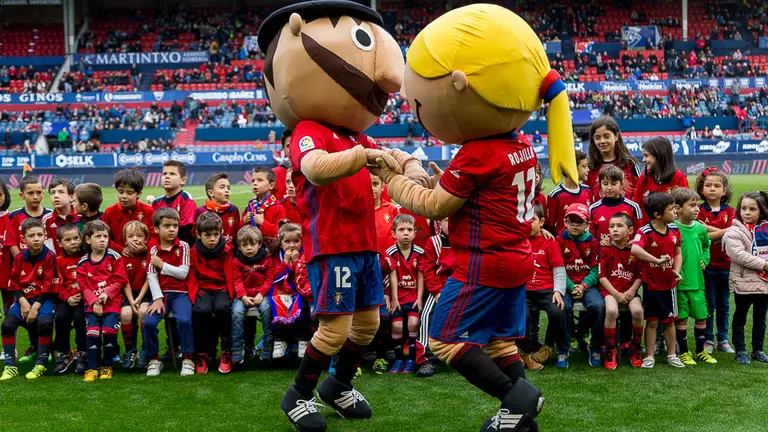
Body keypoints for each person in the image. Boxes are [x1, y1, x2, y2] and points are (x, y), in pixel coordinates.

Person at [377, 4, 580, 429]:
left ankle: (517, 397)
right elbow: (482, 194)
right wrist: (443, 180)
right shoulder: (519, 142)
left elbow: (435, 207)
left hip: (482, 263)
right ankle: (518, 420)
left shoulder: (476, 152)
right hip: (517, 259)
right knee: (501, 343)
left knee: (443, 340)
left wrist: (393, 182)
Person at [631, 192, 684, 369]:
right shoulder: (645, 231)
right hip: (651, 285)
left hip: (669, 285)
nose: (675, 211)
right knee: (652, 321)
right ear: (657, 215)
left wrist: (676, 271)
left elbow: (678, 253)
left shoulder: (675, 229)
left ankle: (672, 354)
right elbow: (635, 250)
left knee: (669, 321)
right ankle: (650, 355)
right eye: (671, 209)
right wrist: (656, 260)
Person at [0, 219, 56, 380]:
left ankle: (41, 363)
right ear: (23, 239)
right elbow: (14, 282)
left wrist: (35, 307)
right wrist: (23, 302)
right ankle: (10, 366)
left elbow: (48, 285)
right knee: (7, 324)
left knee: (45, 323)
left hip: (43, 300)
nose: (37, 238)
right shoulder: (19, 258)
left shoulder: (49, 257)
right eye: (31, 235)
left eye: (40, 234)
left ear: (45, 236)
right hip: (24, 300)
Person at [143, 207, 195, 377]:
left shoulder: (184, 246)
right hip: (162, 294)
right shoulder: (153, 250)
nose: (172, 229)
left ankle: (188, 358)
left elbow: (183, 273)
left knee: (185, 321)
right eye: (167, 226)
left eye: (175, 225)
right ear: (157, 229)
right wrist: (157, 298)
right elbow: (151, 276)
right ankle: (154, 359)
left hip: (181, 293)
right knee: (149, 323)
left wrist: (163, 266)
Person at [77, 220, 130, 382]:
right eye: (98, 236)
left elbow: (120, 280)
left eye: (105, 236)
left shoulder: (114, 257)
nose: (102, 240)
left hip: (112, 304)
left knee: (108, 332)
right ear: (87, 240)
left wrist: (107, 294)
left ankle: (107, 366)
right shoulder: (83, 263)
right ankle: (92, 368)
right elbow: (84, 286)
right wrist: (94, 302)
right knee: (92, 334)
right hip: (92, 306)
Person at [670, 187, 716, 366]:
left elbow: (707, 246)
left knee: (701, 317)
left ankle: (700, 351)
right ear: (678, 208)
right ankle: (683, 352)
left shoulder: (700, 228)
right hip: (680, 284)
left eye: (698, 205)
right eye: (692, 206)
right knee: (681, 318)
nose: (697, 209)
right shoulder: (673, 229)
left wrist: (705, 259)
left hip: (698, 282)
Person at [723, 191, 768, 365]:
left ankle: (758, 350)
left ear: (762, 211)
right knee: (740, 317)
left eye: (752, 209)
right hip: (744, 282)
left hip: (764, 282)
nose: (746, 213)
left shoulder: (765, 229)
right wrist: (763, 265)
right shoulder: (734, 231)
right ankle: (740, 350)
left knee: (760, 319)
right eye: (743, 208)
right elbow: (739, 255)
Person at [558, 203, 604, 367]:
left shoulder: (593, 242)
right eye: (571, 221)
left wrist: (583, 286)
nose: (575, 225)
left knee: (599, 306)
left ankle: (596, 346)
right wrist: (572, 287)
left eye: (579, 221)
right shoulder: (559, 240)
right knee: (561, 306)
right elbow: (559, 269)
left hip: (587, 284)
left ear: (588, 224)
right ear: (565, 222)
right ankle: (563, 349)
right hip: (566, 284)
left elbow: (595, 270)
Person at [188, 212, 234, 375]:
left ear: (221, 233)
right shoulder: (193, 252)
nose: (213, 239)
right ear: (199, 235)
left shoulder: (227, 250)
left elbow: (230, 274)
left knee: (223, 309)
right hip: (203, 289)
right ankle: (201, 354)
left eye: (216, 234)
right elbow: (192, 274)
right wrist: (193, 296)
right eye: (207, 235)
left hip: (222, 289)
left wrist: (231, 295)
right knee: (201, 311)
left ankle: (227, 352)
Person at [695, 168, 735, 354]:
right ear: (701, 189)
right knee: (709, 304)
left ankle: (723, 339)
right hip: (707, 266)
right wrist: (724, 232)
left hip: (727, 266)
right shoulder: (699, 210)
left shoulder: (731, 211)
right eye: (708, 185)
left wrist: (711, 231)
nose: (712, 189)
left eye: (717, 185)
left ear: (724, 190)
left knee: (724, 304)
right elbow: (702, 236)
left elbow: (734, 232)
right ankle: (709, 339)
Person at [522, 204, 567, 371]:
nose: (528, 223)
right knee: (523, 316)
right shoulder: (518, 239)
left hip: (546, 289)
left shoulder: (549, 242)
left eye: (532, 220)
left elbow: (558, 269)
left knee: (557, 312)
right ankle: (524, 352)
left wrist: (558, 291)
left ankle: (547, 348)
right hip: (524, 290)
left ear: (541, 221)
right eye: (525, 219)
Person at [598, 213, 644, 369]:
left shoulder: (635, 251)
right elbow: (602, 277)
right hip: (611, 291)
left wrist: (632, 291)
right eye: (611, 226)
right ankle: (610, 349)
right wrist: (616, 294)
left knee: (638, 311)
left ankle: (635, 347)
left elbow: (639, 275)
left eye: (619, 226)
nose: (614, 230)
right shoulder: (605, 249)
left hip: (629, 290)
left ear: (630, 230)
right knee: (611, 310)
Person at [384, 214, 425, 374]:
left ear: (415, 233)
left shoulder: (419, 252)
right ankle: (398, 359)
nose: (405, 233)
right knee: (397, 326)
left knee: (413, 324)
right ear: (394, 233)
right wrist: (394, 299)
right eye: (401, 229)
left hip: (414, 297)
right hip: (398, 298)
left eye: (409, 229)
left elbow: (421, 276)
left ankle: (410, 359)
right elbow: (392, 275)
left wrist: (420, 299)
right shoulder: (391, 252)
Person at [415, 217, 453, 378]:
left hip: (461, 288)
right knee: (426, 315)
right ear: (439, 223)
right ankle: (425, 359)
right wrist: (437, 292)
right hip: (438, 288)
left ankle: (473, 355)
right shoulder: (434, 242)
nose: (450, 224)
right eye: (446, 220)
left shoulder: (468, 242)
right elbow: (428, 270)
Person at [269, 223, 313, 359]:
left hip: (300, 290)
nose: (292, 245)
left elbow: (305, 276)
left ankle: (303, 340)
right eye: (287, 241)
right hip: (280, 290)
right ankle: (280, 340)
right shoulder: (276, 256)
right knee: (277, 304)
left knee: (302, 307)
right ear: (280, 243)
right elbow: (273, 276)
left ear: (302, 242)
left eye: (296, 241)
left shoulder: (305, 255)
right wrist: (285, 262)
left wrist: (297, 263)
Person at [231, 225, 273, 364]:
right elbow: (237, 281)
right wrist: (243, 296)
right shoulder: (236, 261)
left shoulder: (266, 258)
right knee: (236, 313)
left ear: (259, 244)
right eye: (244, 245)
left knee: (267, 310)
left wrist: (261, 294)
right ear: (239, 246)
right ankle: (237, 348)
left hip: (262, 294)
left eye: (252, 244)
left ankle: (268, 345)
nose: (249, 248)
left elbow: (269, 279)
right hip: (243, 296)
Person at [52, 224, 87, 375]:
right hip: (66, 299)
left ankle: (82, 352)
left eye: (75, 238)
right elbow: (57, 283)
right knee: (61, 318)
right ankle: (64, 352)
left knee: (80, 318)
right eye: (68, 240)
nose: (73, 242)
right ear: (59, 243)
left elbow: (93, 278)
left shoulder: (87, 257)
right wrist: (67, 297)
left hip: (85, 299)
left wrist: (83, 295)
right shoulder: (58, 261)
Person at [632, 137, 689, 225]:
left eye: (646, 155)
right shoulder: (643, 179)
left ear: (659, 156)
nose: (643, 160)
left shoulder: (678, 177)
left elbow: (685, 206)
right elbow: (636, 207)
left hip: (673, 233)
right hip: (648, 233)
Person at [119, 221, 150, 370]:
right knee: (125, 314)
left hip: (145, 293)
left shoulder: (149, 254)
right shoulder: (123, 257)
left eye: (139, 236)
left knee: (143, 311)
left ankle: (145, 350)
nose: (135, 239)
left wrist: (138, 299)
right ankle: (130, 350)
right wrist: (131, 300)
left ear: (146, 239)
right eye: (130, 236)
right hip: (128, 294)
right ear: (125, 240)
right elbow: (124, 282)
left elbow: (149, 279)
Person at [587, 116, 641, 201]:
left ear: (616, 136)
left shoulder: (629, 163)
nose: (602, 141)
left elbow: (640, 191)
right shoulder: (589, 167)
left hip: (626, 213)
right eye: (597, 138)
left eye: (606, 136)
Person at [102, 169, 154, 255]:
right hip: (120, 259)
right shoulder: (109, 212)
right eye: (120, 192)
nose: (124, 196)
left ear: (139, 194)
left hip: (145, 258)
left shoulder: (148, 211)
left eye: (129, 193)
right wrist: (120, 249)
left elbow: (155, 236)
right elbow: (105, 237)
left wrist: (146, 247)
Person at [589, 165, 643, 246]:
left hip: (627, 256)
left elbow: (640, 232)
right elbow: (590, 236)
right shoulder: (593, 209)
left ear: (621, 184)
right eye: (605, 184)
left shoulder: (633, 207)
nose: (609, 187)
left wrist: (635, 242)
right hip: (603, 256)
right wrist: (598, 242)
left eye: (614, 184)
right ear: (600, 185)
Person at [547, 150, 592, 235]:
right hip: (564, 244)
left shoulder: (587, 190)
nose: (588, 169)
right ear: (572, 168)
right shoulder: (556, 195)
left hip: (585, 244)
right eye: (584, 166)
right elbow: (550, 225)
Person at [152, 161, 197, 246]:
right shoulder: (156, 203)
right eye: (164, 174)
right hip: (161, 247)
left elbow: (186, 227)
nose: (167, 177)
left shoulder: (185, 198)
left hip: (182, 247)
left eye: (172, 174)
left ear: (183, 180)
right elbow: (153, 229)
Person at [195, 173, 241, 246]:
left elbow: (237, 233)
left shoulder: (234, 210)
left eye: (228, 188)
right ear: (211, 193)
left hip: (229, 254)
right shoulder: (201, 211)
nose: (227, 190)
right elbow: (195, 236)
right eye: (222, 187)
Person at [243, 167, 286, 243]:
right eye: (253, 181)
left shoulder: (278, 208)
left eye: (260, 180)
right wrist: (243, 221)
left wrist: (262, 222)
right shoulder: (250, 206)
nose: (255, 183)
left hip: (271, 251)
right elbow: (240, 232)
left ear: (271, 185)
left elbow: (282, 233)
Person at [42, 179, 77, 256]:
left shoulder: (80, 216)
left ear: (71, 197)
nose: (56, 196)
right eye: (52, 193)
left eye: (61, 192)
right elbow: (48, 247)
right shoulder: (47, 219)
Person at [372, 171, 400, 256]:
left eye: (375, 184)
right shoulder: (358, 210)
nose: (372, 188)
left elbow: (400, 233)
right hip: (366, 261)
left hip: (389, 259)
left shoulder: (392, 209)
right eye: (367, 184)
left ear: (382, 187)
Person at [0, 178, 14, 319]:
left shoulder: (11, 218)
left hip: (7, 273)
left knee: (10, 313)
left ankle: (9, 341)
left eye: (0, 195)